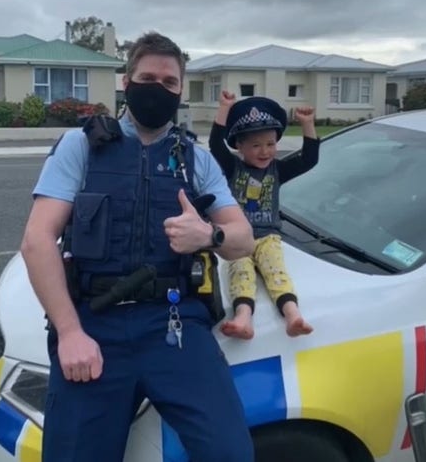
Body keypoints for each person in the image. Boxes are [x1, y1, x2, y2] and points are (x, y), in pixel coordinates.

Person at [20, 31, 257, 462]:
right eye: (148, 77)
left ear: (181, 91)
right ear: (126, 83)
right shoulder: (82, 147)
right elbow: (37, 240)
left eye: (170, 82)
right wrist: (71, 333)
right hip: (96, 322)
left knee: (230, 453)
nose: (158, 88)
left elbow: (243, 239)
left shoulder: (196, 159)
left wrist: (209, 235)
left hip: (173, 324)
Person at [209, 91, 320, 340]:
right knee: (240, 272)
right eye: (256, 145)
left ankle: (293, 316)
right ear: (239, 145)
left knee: (276, 271)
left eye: (270, 144)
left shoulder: (277, 170)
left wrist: (307, 124)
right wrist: (225, 107)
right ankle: (243, 319)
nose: (265, 152)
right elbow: (216, 144)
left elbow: (309, 160)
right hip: (240, 237)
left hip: (269, 235)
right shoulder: (232, 167)